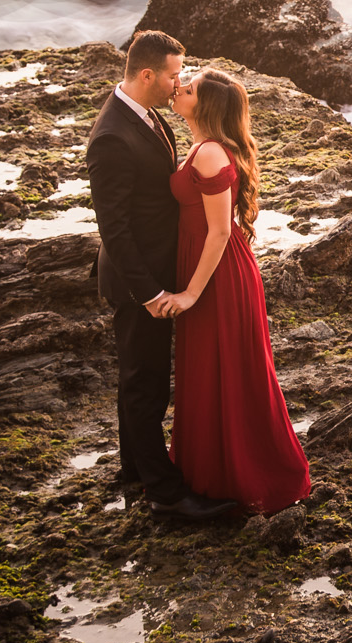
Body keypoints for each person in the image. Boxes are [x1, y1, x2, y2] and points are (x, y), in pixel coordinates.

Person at [85, 30, 239, 521]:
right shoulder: (112, 136)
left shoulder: (145, 114)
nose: (179, 84)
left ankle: (135, 471)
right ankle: (165, 495)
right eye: (174, 74)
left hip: (154, 271)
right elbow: (114, 227)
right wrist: (149, 291)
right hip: (139, 280)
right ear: (147, 74)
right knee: (145, 383)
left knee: (139, 378)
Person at [156, 67, 312, 514]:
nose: (179, 88)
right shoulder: (201, 146)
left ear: (203, 106)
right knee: (213, 372)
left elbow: (221, 232)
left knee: (229, 372)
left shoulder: (209, 153)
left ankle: (250, 477)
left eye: (189, 88)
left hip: (217, 275)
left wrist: (189, 294)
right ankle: (217, 473)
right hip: (210, 269)